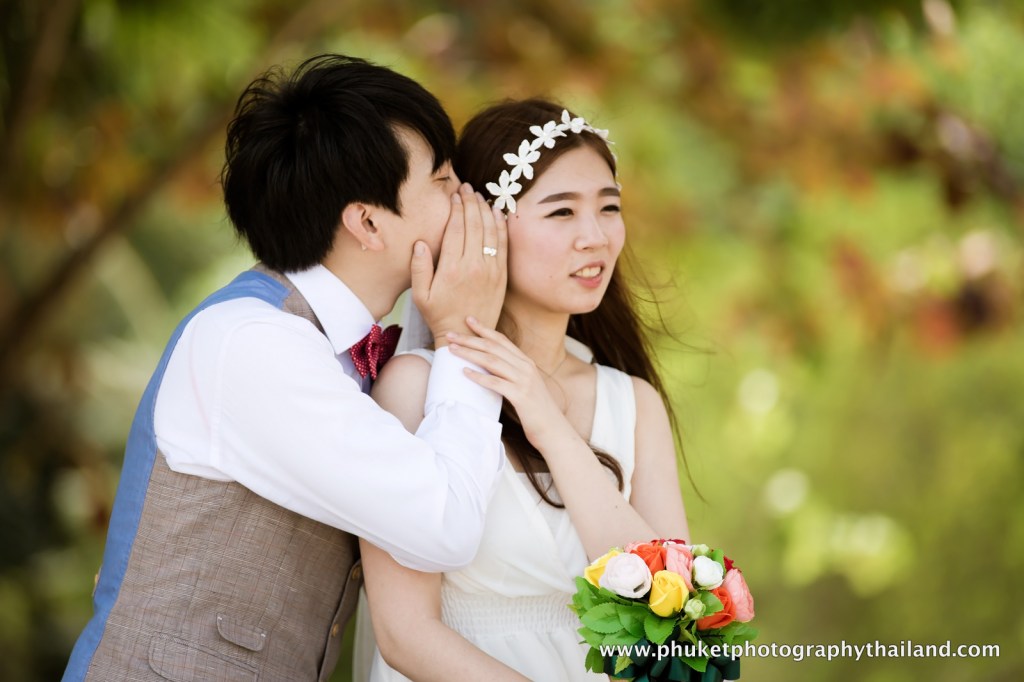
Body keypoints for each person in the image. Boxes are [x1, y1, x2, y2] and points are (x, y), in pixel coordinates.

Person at [62, 54, 510, 681]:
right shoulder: (253, 342)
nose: (467, 196)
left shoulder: (334, 341)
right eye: (442, 179)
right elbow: (445, 525)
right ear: (367, 222)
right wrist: (466, 335)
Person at [359, 98, 691, 681]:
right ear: (482, 226)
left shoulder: (632, 402)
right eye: (561, 213)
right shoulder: (415, 389)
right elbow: (404, 634)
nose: (595, 236)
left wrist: (551, 427)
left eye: (608, 208)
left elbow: (672, 608)